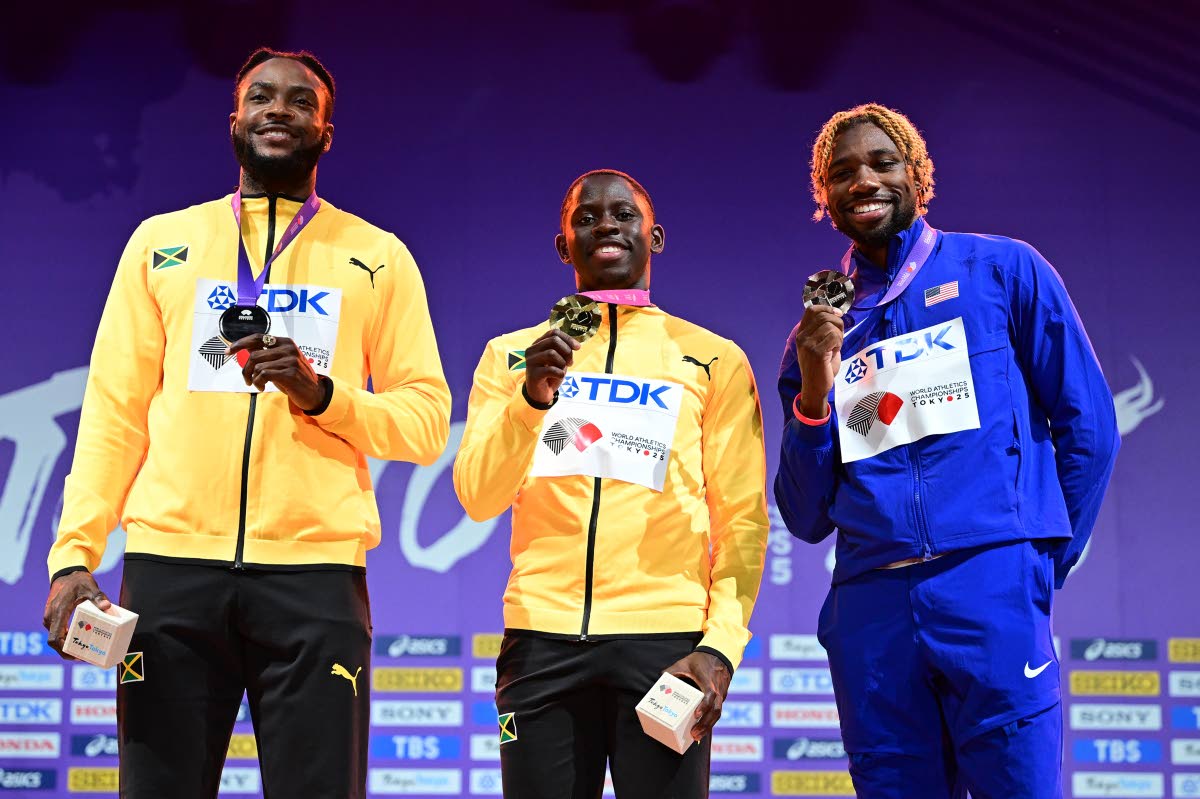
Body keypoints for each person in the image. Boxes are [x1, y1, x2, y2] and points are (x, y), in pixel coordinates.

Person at [41, 47, 451, 798]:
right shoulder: (161, 243)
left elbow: (425, 421)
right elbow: (113, 415)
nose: (278, 109)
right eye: (261, 96)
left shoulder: (377, 257)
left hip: (315, 580)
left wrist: (322, 394)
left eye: (301, 102)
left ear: (327, 134)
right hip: (170, 573)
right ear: (233, 121)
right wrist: (73, 555)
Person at [775, 103, 1120, 798]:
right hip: (872, 610)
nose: (863, 181)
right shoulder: (822, 330)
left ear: (918, 175)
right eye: (842, 173)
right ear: (824, 195)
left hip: (991, 583)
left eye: (882, 163)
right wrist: (813, 391)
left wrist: (1034, 558)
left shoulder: (1003, 270)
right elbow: (805, 515)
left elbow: (1089, 427)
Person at [454, 169, 769, 798]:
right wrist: (530, 401)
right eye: (586, 217)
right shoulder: (512, 355)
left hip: (667, 647)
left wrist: (720, 646)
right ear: (562, 245)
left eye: (624, 215)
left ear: (656, 237)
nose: (606, 225)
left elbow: (743, 518)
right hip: (541, 641)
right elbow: (478, 497)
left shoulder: (713, 358)